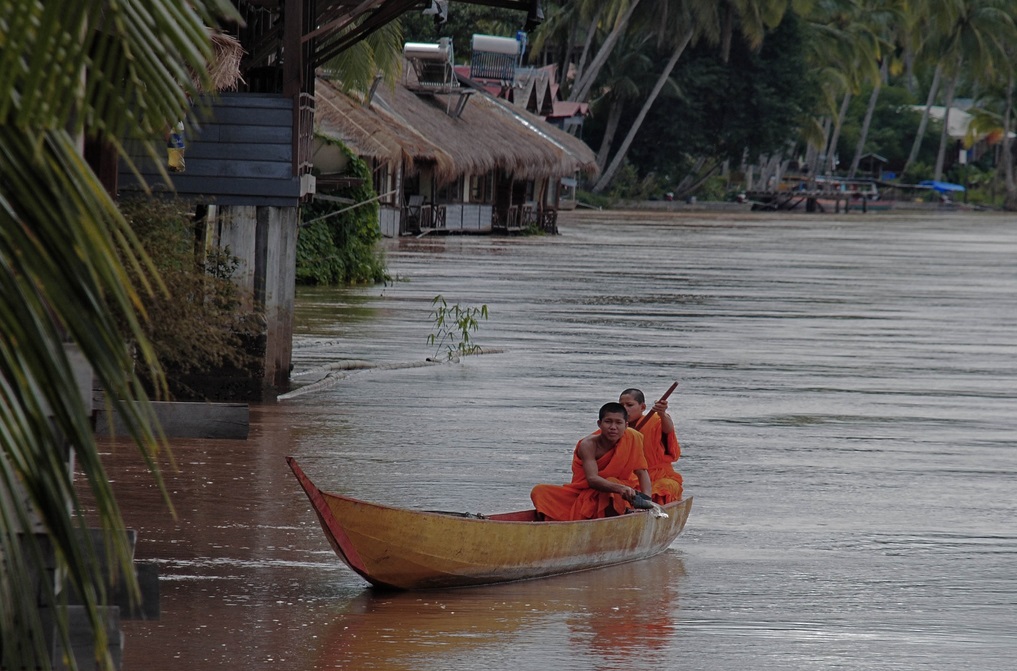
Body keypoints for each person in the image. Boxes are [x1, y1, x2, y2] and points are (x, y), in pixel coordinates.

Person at [530, 402, 651, 521]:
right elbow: (592, 479)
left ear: (626, 425)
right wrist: (620, 488)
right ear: (599, 424)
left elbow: (642, 472)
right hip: (587, 493)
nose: (613, 427)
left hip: (622, 494)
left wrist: (647, 501)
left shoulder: (633, 437)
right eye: (608, 422)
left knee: (612, 483)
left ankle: (617, 516)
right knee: (540, 491)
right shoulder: (588, 445)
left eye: (618, 422)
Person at [619, 388, 683, 504]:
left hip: (658, 476)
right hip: (631, 478)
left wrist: (662, 413)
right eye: (621, 405)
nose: (624, 409)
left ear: (642, 407)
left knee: (665, 487)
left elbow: (667, 429)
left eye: (629, 405)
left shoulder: (655, 420)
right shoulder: (617, 426)